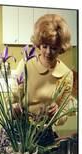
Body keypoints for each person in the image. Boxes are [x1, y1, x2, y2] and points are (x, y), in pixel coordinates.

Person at [11, 14, 76, 145]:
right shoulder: (26, 65)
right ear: (39, 43)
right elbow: (12, 100)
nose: (48, 52)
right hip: (20, 131)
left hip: (45, 133)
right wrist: (14, 109)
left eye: (54, 48)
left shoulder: (66, 74)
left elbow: (63, 116)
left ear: (61, 47)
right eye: (44, 46)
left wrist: (56, 113)